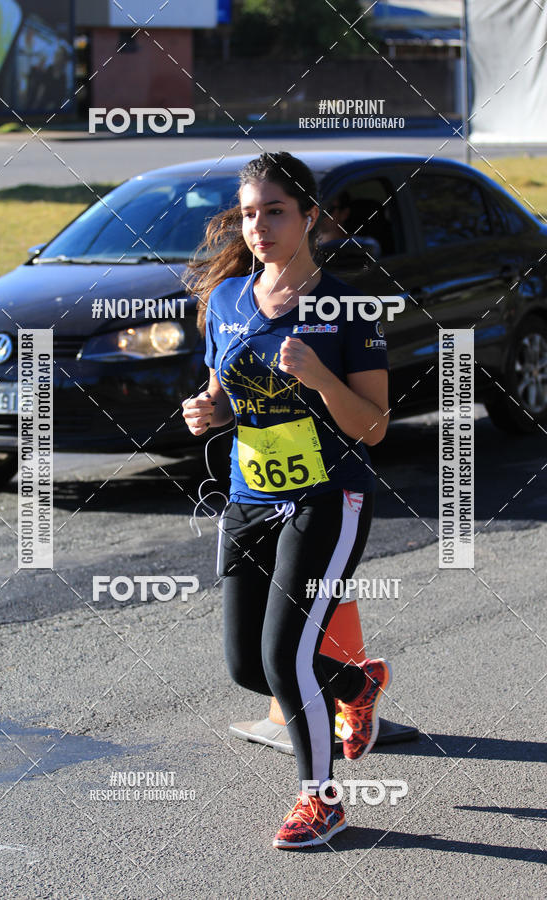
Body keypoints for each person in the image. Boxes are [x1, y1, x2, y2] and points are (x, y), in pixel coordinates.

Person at [182, 152, 392, 850]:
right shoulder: (229, 300)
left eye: (275, 211)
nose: (260, 226)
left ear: (309, 216)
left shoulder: (345, 308)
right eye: (249, 213)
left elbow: (374, 426)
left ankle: (321, 801)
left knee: (284, 655)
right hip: (251, 498)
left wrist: (321, 379)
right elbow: (220, 388)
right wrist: (207, 411)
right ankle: (354, 684)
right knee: (247, 664)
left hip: (329, 500)